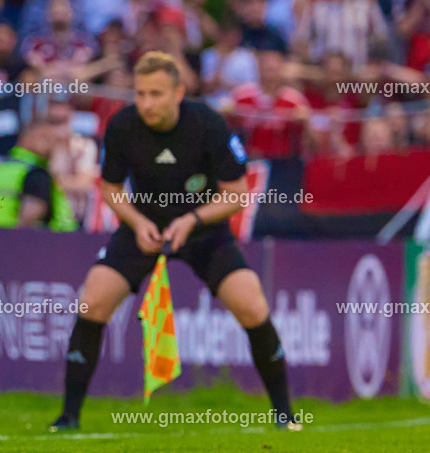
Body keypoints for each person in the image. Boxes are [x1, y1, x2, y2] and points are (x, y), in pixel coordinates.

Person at [51, 52, 302, 432]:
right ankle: (68, 418)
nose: (146, 103)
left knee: (252, 306)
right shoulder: (123, 125)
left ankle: (285, 415)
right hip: (144, 229)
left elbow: (237, 194)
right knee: (92, 301)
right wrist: (137, 223)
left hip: (203, 230)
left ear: (178, 93)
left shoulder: (208, 124)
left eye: (156, 94)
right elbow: (111, 189)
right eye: (140, 93)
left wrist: (193, 219)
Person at [0, 118, 78, 231]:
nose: (51, 145)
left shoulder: (1, 169)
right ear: (26, 137)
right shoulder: (38, 173)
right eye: (45, 138)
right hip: (51, 237)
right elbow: (33, 212)